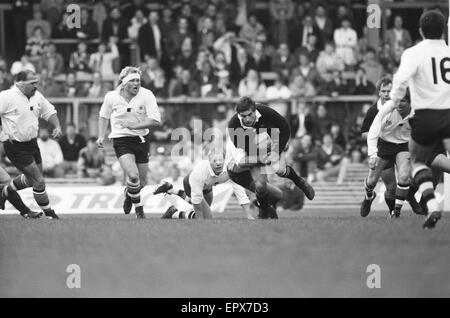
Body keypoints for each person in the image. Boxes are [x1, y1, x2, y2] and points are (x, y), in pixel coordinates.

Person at [380, 10, 450, 229]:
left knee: (417, 160)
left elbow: (400, 81)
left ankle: (431, 202)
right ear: (444, 29)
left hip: (426, 116)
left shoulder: (414, 52)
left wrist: (393, 101)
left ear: (420, 30)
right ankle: (431, 202)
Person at [226, 97, 315, 219]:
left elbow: (284, 127)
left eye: (249, 115)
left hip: (255, 152)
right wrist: (264, 153)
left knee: (278, 178)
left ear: (255, 110)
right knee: (265, 187)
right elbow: (242, 162)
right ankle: (264, 211)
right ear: (238, 114)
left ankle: (300, 182)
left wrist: (276, 149)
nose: (246, 119)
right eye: (243, 116)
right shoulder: (234, 126)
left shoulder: (264, 111)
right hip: (238, 169)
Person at [97, 66, 161, 219]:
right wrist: (101, 136)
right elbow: (103, 115)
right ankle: (139, 210)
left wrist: (134, 126)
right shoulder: (111, 96)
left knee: (143, 182)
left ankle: (128, 193)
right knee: (133, 176)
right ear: (123, 83)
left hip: (141, 139)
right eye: (132, 80)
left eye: (138, 80)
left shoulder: (147, 95)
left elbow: (156, 121)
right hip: (121, 139)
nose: (136, 83)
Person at [0, 70, 62, 219]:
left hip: (32, 144)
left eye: (37, 82)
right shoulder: (6, 96)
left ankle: (5, 192)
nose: (36, 86)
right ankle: (50, 214)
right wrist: (2, 134)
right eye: (32, 83)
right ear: (20, 83)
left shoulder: (37, 96)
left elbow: (49, 111)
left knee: (31, 179)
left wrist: (57, 126)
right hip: (15, 145)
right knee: (39, 180)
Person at [155, 148, 255, 220]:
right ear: (209, 161)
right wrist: (200, 221)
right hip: (191, 184)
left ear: (225, 160)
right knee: (206, 218)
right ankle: (174, 214)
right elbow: (196, 197)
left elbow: (239, 191)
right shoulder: (200, 170)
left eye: (221, 160)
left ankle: (172, 191)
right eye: (214, 161)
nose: (218, 163)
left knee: (204, 213)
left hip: (207, 186)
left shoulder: (230, 168)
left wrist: (248, 215)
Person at [363, 93, 412, 218]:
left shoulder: (418, 111)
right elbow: (373, 129)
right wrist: (373, 155)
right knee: (373, 181)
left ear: (410, 102)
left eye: (403, 101)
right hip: (384, 146)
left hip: (404, 146)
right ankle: (369, 196)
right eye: (398, 100)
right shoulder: (388, 108)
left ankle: (396, 213)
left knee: (404, 177)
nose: (399, 104)